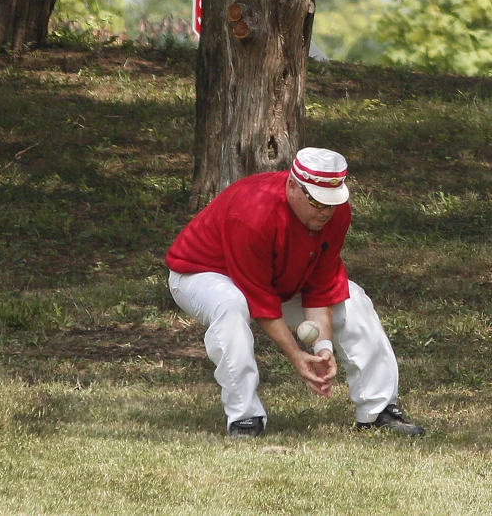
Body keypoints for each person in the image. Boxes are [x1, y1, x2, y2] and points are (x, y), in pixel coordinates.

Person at [165, 147, 424, 437]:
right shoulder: (253, 214)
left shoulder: (336, 214)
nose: (326, 211)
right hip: (200, 274)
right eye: (317, 202)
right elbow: (259, 300)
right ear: (292, 186)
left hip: (275, 279)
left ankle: (378, 411)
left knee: (354, 299)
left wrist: (322, 349)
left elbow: (321, 287)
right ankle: (244, 417)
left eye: (332, 203)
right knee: (231, 305)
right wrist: (296, 356)